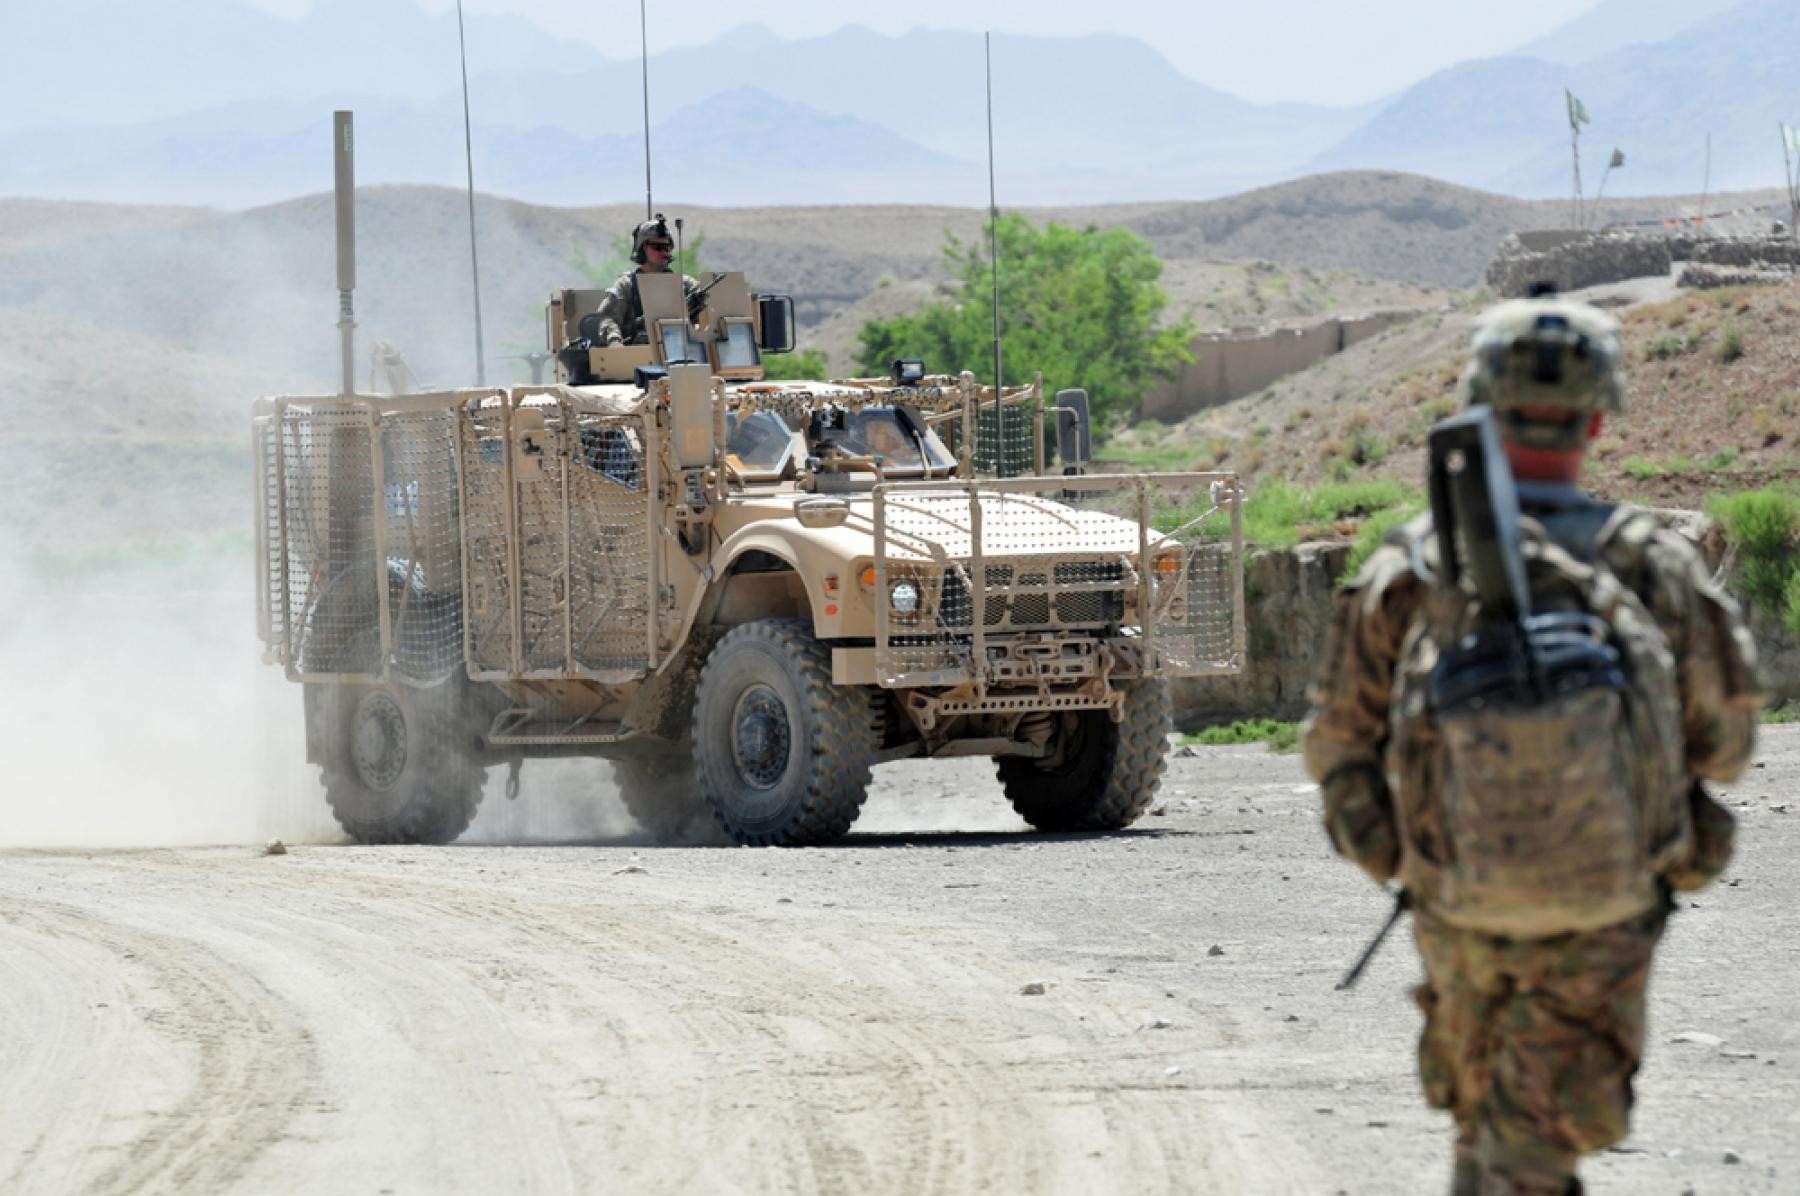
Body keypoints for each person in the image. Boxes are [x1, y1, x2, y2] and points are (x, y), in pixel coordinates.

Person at [1301, 294, 1761, 1196]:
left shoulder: (1412, 569)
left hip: (1458, 904)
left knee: (1497, 1132)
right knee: (1531, 1143)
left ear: (1477, 403)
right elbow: (1727, 750)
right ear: (1599, 414)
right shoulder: (1650, 564)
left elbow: (1337, 747)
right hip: (1606, 907)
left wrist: (1403, 857)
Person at [592, 213, 699, 346]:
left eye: (666, 248)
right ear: (643, 249)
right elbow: (607, 318)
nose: (664, 253)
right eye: (657, 247)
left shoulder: (684, 284)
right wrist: (614, 341)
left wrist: (699, 304)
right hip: (637, 355)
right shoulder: (626, 285)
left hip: (680, 352)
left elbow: (709, 299)